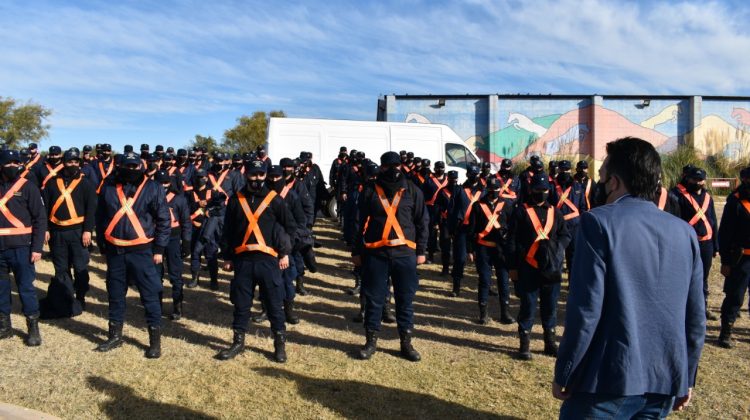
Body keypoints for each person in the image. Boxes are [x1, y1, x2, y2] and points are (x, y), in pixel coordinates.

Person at [553, 137, 705, 418]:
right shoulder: (684, 232)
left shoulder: (597, 222)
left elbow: (586, 310)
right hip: (664, 380)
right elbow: (695, 316)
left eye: (601, 177)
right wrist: (687, 377)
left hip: (608, 380)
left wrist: (566, 370)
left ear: (613, 182)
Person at [352, 151, 429, 362]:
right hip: (376, 254)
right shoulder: (370, 190)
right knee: (375, 300)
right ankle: (370, 341)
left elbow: (422, 222)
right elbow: (358, 223)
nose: (393, 170)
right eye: (388, 166)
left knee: (405, 300)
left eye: (397, 165)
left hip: (405, 255)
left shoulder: (412, 190)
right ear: (382, 168)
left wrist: (421, 252)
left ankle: (406, 343)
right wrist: (356, 251)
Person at [95, 152, 171, 358]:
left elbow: (164, 220)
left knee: (150, 296)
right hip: (115, 250)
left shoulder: (153, 188)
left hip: (142, 251)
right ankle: (115, 336)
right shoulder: (109, 186)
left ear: (141, 167)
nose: (131, 170)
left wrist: (159, 249)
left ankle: (154, 342)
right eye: (127, 166)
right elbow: (100, 216)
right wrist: (102, 246)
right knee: (115, 294)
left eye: (134, 166)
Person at [217, 160, 294, 363]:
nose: (257, 178)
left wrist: (285, 252)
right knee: (241, 305)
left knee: (274, 305)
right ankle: (238, 343)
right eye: (253, 174)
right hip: (243, 262)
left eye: (261, 174)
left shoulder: (274, 199)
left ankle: (279, 345)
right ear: (246, 175)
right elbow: (228, 231)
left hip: (268, 262)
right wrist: (227, 256)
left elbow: (290, 227)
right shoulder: (236, 199)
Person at [508, 172, 570, 360]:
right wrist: (512, 267)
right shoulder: (520, 211)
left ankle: (549, 343)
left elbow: (565, 235)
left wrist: (557, 249)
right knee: (527, 306)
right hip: (528, 267)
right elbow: (511, 240)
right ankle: (524, 345)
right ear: (530, 190)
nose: (541, 193)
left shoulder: (555, 212)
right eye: (537, 190)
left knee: (550, 306)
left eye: (544, 190)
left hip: (551, 268)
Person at [0, 150, 47, 346]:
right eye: (8, 163)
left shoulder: (29, 187)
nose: (13, 166)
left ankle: (33, 328)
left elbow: (39, 218)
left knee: (26, 288)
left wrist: (37, 248)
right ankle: (5, 326)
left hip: (22, 247)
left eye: (16, 163)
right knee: (1, 290)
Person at [42, 149, 96, 309]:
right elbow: (44, 208)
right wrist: (45, 228)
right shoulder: (52, 183)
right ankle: (65, 295)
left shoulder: (86, 184)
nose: (73, 165)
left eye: (75, 162)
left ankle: (81, 296)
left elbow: (91, 209)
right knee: (61, 267)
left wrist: (87, 230)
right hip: (57, 232)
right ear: (63, 163)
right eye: (69, 162)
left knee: (80, 267)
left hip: (78, 232)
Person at [466, 177, 515, 325]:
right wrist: (470, 250)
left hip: (501, 249)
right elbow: (471, 229)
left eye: (496, 190)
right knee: (485, 281)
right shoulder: (477, 206)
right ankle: (483, 314)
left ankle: (505, 313)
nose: (494, 192)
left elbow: (513, 227)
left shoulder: (507, 205)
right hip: (483, 248)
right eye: (491, 190)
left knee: (503, 281)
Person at [673, 167, 719, 320]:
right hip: (687, 244)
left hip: (706, 244)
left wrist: (716, 246)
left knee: (704, 277)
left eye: (701, 180)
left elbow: (713, 222)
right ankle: (685, 309)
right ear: (687, 179)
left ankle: (702, 307)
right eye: (694, 180)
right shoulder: (677, 195)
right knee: (686, 277)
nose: (698, 183)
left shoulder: (707, 197)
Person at [717, 167, 750, 348]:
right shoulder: (735, 202)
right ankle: (726, 332)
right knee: (734, 297)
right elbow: (725, 234)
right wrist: (725, 261)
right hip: (740, 259)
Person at [154, 170, 191, 320]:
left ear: (170, 183)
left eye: (166, 183)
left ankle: (177, 306)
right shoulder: (149, 197)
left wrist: (186, 242)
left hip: (173, 239)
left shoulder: (179, 199)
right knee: (155, 275)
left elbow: (186, 222)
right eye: (160, 183)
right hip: (154, 240)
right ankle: (156, 305)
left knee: (175, 275)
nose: (163, 186)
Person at [447, 164, 483, 297]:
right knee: (460, 259)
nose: (474, 176)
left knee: (483, 260)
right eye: (471, 174)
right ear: (467, 175)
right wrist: (451, 229)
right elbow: (451, 209)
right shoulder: (459, 189)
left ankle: (486, 285)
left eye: (476, 174)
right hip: (462, 229)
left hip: (478, 230)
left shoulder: (483, 190)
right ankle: (456, 286)